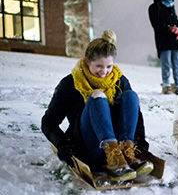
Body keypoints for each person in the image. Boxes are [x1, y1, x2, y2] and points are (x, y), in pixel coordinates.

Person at [41, 30, 153, 182]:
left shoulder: (120, 81)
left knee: (130, 96)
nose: (104, 72)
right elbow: (48, 121)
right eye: (99, 66)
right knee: (98, 96)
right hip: (89, 146)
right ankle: (113, 160)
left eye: (109, 67)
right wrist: (62, 143)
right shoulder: (70, 83)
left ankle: (127, 155)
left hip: (120, 144)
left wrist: (139, 140)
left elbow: (134, 114)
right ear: (87, 61)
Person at [149, 0, 178, 95]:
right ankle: (166, 85)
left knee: (177, 63)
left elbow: (175, 20)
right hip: (163, 40)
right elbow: (155, 24)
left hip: (175, 40)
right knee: (166, 63)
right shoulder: (155, 7)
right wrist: (168, 28)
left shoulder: (171, 6)